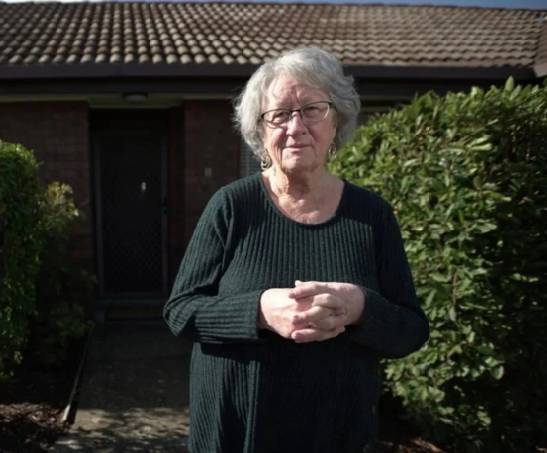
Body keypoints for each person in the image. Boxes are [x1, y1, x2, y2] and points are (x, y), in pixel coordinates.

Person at [163, 46, 429, 453]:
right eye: (279, 114)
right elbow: (180, 311)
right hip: (237, 433)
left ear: (337, 121)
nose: (295, 127)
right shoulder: (232, 206)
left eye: (312, 110)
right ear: (261, 131)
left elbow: (411, 331)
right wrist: (259, 311)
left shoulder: (372, 215)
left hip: (334, 435)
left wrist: (360, 307)